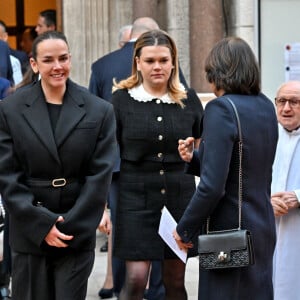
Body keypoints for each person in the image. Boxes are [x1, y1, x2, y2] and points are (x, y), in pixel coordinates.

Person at [0, 31, 117, 300]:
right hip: (29, 230)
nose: (57, 66)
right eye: (49, 60)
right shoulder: (10, 109)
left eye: (63, 58)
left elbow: (100, 175)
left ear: (70, 59)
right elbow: (7, 175)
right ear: (34, 64)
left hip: (76, 228)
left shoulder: (98, 109)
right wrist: (41, 224)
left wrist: (70, 224)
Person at [173, 36, 278, 300]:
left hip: (229, 233)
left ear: (217, 72)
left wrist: (184, 228)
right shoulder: (266, 105)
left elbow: (212, 187)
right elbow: (244, 167)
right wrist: (194, 159)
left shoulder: (221, 108)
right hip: (262, 227)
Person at [111, 29, 203, 300]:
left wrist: (191, 153)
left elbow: (201, 141)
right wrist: (105, 205)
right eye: (150, 61)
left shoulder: (188, 99)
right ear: (137, 62)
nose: (157, 67)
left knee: (175, 283)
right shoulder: (120, 100)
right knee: (136, 280)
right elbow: (107, 153)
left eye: (163, 60)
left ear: (173, 61)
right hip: (134, 199)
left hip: (178, 198)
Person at [89, 17, 166, 300]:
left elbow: (93, 121)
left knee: (122, 232)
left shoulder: (101, 66)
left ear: (128, 37)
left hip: (118, 164)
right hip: (157, 163)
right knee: (160, 228)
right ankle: (156, 290)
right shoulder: (165, 61)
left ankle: (124, 290)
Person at [271, 81, 300, 300]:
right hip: (268, 227)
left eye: (294, 102)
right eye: (281, 101)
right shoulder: (266, 135)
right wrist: (265, 200)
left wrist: (299, 196)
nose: (286, 108)